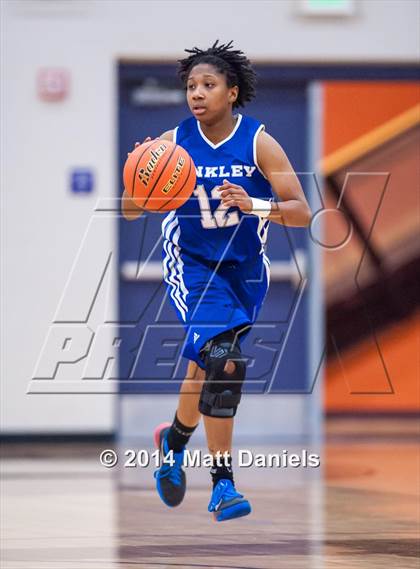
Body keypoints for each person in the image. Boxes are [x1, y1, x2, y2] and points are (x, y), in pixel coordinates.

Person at [122, 40, 311, 522]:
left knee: (205, 368)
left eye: (208, 85)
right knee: (226, 362)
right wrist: (139, 183)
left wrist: (255, 204)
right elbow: (127, 209)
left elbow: (302, 211)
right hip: (194, 265)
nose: (197, 94)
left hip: (245, 272)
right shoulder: (171, 142)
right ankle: (223, 484)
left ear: (232, 92)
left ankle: (173, 441)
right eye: (190, 86)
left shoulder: (258, 142)